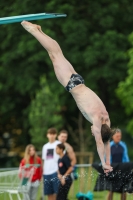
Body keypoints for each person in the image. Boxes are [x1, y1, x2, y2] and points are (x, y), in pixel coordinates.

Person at [21, 21, 113, 173]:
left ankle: (39, 31)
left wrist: (108, 162)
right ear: (99, 131)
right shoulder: (97, 121)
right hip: (71, 84)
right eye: (95, 132)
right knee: (55, 55)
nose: (93, 132)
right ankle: (34, 31)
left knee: (57, 53)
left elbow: (107, 143)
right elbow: (101, 143)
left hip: (79, 81)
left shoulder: (106, 119)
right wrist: (103, 164)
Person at [107, 128, 130, 200]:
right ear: (113, 136)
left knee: (124, 190)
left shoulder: (123, 146)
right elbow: (107, 159)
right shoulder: (109, 146)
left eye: (120, 136)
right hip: (112, 170)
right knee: (111, 190)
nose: (119, 138)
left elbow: (126, 158)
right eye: (117, 136)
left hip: (122, 171)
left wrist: (128, 168)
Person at [42, 127, 60, 200]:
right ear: (47, 135)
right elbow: (44, 160)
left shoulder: (59, 144)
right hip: (46, 172)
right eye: (50, 134)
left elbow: (62, 158)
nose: (52, 135)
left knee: (57, 192)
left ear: (55, 135)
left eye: (53, 134)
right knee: (49, 193)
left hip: (55, 171)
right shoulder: (45, 146)